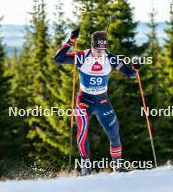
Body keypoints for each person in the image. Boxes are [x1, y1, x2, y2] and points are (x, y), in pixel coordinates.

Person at [53, 28, 141, 175]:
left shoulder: (110, 58)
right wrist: (71, 41)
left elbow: (130, 74)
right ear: (91, 47)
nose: (100, 54)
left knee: (114, 132)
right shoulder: (82, 56)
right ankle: (85, 168)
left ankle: (118, 167)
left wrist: (136, 67)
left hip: (102, 101)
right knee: (82, 131)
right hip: (84, 100)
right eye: (97, 50)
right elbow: (58, 59)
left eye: (102, 50)